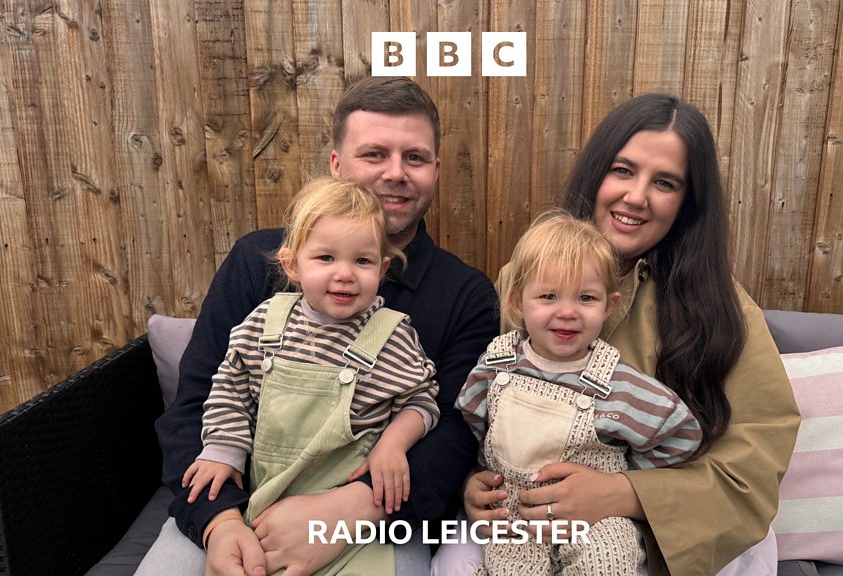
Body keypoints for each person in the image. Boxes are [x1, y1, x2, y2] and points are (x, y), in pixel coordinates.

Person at [142, 77, 500, 576]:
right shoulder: (257, 261)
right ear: (336, 163)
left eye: (415, 158)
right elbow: (198, 399)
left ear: (435, 171)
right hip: (236, 506)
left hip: (377, 520)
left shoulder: (465, 294)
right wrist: (218, 521)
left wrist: (346, 513)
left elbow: (456, 433)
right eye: (374, 154)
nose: (396, 173)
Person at [439, 93, 800, 576]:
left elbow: (754, 461)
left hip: (678, 531)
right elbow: (490, 411)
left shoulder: (722, 307)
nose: (636, 196)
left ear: (687, 203)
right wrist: (475, 484)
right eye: (623, 170)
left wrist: (624, 494)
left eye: (665, 182)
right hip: (528, 518)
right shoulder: (520, 283)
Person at [184, 176, 439, 540]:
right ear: (292, 265)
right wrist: (223, 449)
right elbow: (231, 388)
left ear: (382, 270)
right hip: (259, 503)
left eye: (362, 261)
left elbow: (421, 401)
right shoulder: (265, 323)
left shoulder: (391, 337)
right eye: (326, 258)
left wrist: (394, 443)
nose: (345, 274)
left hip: (344, 519)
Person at [455, 211, 703, 575]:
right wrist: (477, 476)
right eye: (548, 296)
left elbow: (680, 434)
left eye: (586, 298)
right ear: (518, 303)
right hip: (516, 513)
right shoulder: (496, 366)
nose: (568, 312)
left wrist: (624, 484)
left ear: (609, 305)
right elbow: (473, 423)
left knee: (607, 563)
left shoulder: (619, 383)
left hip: (597, 520)